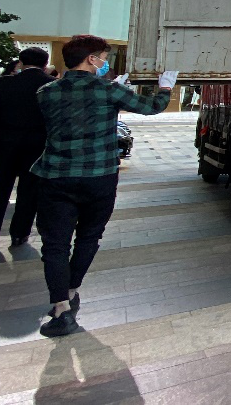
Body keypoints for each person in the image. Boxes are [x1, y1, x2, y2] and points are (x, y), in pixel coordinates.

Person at [34, 35, 177, 337]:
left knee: (55, 244)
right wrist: (165, 87)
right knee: (89, 236)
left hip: (55, 176)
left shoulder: (46, 92)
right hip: (98, 176)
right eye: (102, 57)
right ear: (91, 59)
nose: (104, 62)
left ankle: (61, 307)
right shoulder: (108, 91)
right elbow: (151, 107)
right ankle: (72, 289)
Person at [0, 47, 54, 248]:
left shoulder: (3, 83)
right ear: (45, 64)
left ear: (21, 62)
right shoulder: (51, 85)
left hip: (4, 144)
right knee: (29, 191)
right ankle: (20, 233)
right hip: (37, 145)